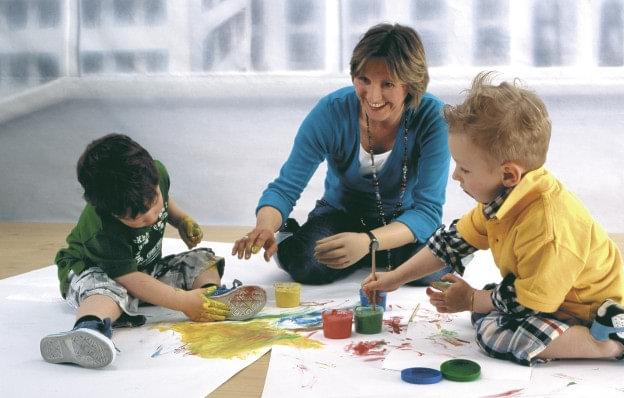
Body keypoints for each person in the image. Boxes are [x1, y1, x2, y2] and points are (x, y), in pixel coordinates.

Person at [362, 72, 624, 366]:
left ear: (508, 174)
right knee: (485, 311)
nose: (456, 175)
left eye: (465, 168)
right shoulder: (503, 199)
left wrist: (474, 299)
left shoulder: (547, 227)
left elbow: (530, 304)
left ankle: (613, 342)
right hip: (544, 292)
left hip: (583, 310)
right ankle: (500, 306)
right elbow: (451, 243)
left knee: (496, 337)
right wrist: (395, 278)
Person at [232, 23, 451, 285]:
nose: (373, 95)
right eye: (364, 80)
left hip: (402, 223)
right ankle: (297, 237)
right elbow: (285, 187)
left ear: (411, 85)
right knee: (307, 264)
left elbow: (427, 211)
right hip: (340, 216)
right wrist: (266, 225)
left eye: (388, 84)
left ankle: (363, 254)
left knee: (430, 271)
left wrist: (368, 241)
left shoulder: (433, 119)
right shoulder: (331, 112)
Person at [40, 133, 264, 369]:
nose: (151, 216)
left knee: (201, 259)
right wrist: (183, 302)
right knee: (108, 291)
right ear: (110, 212)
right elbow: (130, 280)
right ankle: (88, 330)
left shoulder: (156, 173)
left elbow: (166, 199)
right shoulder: (101, 229)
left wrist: (181, 220)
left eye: (153, 201)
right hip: (95, 271)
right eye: (135, 217)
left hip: (142, 268)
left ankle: (211, 297)